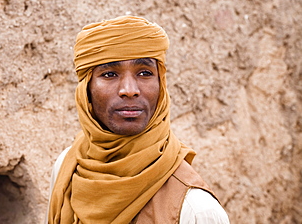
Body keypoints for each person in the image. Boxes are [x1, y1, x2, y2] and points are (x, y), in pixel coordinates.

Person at [46, 16, 230, 223]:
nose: (129, 90)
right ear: (85, 90)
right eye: (109, 74)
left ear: (161, 86)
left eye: (144, 73)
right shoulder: (67, 167)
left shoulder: (196, 210)